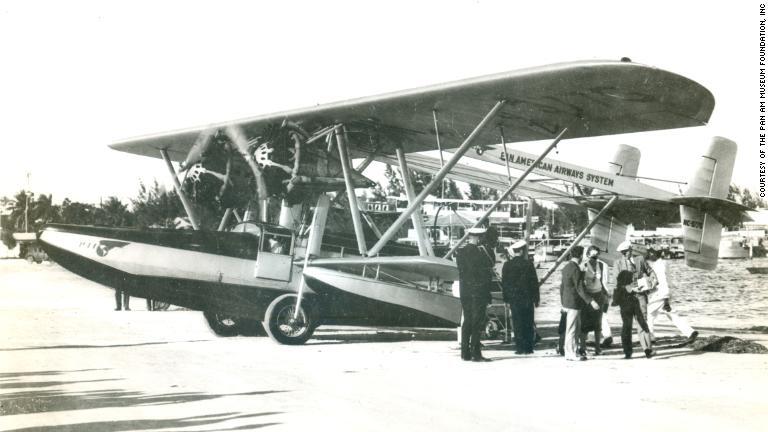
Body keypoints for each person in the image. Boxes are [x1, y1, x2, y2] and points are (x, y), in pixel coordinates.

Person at [455, 227, 494, 362]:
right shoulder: (481, 253)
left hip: (465, 291)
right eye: (482, 237)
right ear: (478, 237)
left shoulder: (460, 252)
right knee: (477, 322)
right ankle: (476, 353)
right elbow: (486, 272)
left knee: (467, 320)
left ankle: (465, 353)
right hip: (478, 292)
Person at [645, 248, 698, 344]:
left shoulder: (659, 266)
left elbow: (664, 281)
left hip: (661, 294)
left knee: (649, 314)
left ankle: (650, 337)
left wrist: (666, 298)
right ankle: (690, 332)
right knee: (669, 314)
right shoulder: (662, 264)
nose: (648, 255)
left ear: (654, 254)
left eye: (650, 254)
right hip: (663, 293)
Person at [614, 241, 654, 359]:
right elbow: (617, 283)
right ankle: (627, 351)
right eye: (623, 253)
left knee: (643, 321)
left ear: (631, 250)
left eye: (627, 252)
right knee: (627, 325)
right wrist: (630, 289)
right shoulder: (617, 263)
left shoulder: (640, 260)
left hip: (640, 296)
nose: (625, 254)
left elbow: (650, 271)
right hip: (626, 299)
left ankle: (647, 349)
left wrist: (652, 280)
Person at [560, 245, 599, 361]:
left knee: (573, 328)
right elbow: (579, 288)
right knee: (572, 329)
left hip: (567, 302)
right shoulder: (576, 269)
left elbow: (562, 287)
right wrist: (591, 301)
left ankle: (572, 351)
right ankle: (570, 353)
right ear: (581, 255)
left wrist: (562, 301)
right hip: (574, 303)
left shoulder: (566, 267)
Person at [502, 240, 540, 354]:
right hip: (527, 298)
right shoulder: (528, 264)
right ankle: (528, 348)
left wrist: (506, 299)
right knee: (528, 322)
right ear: (522, 251)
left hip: (514, 299)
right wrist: (536, 298)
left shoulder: (507, 265)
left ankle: (519, 348)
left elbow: (505, 284)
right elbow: (534, 283)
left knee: (517, 323)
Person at [579, 245, 609, 355]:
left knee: (598, 323)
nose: (594, 258)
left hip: (599, 294)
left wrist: (606, 297)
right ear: (587, 255)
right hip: (587, 296)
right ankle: (583, 347)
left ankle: (597, 348)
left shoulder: (601, 265)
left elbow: (604, 282)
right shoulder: (583, 266)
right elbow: (580, 283)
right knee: (584, 323)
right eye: (592, 255)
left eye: (596, 255)